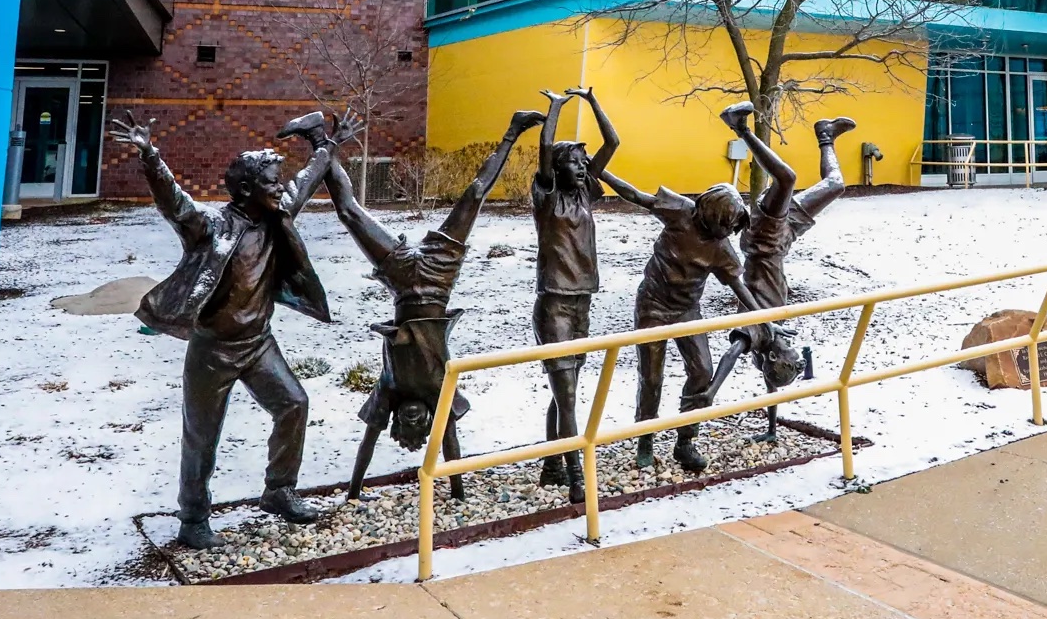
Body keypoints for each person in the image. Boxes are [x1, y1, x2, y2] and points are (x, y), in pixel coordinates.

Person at [107, 109, 343, 550]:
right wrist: (150, 157)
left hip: (258, 345)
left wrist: (327, 146)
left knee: (293, 404)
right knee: (202, 437)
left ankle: (278, 491)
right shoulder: (213, 228)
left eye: (280, 182)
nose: (281, 187)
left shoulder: (276, 216)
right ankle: (193, 519)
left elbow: (306, 182)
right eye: (273, 182)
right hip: (213, 350)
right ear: (248, 189)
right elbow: (175, 204)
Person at [312, 107, 547, 501]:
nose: (414, 420)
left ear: (397, 424)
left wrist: (353, 492)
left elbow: (367, 442)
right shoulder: (441, 395)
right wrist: (456, 492)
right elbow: (450, 442)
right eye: (421, 426)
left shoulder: (388, 391)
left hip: (403, 282)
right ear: (431, 424)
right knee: (474, 195)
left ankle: (321, 140)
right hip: (439, 278)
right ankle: (513, 129)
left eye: (409, 425)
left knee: (350, 213)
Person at [601, 169, 764, 473]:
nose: (729, 233)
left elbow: (738, 287)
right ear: (713, 215)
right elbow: (637, 195)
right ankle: (645, 439)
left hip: (688, 310)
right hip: (652, 306)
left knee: (702, 370)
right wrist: (603, 174)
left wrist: (765, 318)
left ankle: (685, 440)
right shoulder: (679, 212)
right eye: (727, 226)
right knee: (651, 378)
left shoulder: (722, 249)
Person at [710, 103, 853, 438]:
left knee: (787, 178)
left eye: (790, 359)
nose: (795, 352)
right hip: (784, 239)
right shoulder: (778, 334)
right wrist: (772, 429)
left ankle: (739, 127)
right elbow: (771, 386)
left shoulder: (755, 331)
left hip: (766, 239)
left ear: (773, 354)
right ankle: (825, 135)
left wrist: (712, 390)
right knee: (835, 184)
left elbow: (732, 354)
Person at [529, 85, 617, 503]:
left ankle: (551, 465)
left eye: (584, 163)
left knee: (565, 390)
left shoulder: (584, 194)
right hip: (554, 305)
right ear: (557, 168)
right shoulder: (546, 197)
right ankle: (576, 474)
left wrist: (593, 101)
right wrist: (557, 108)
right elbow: (545, 147)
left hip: (582, 302)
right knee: (566, 394)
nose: (581, 169)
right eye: (573, 163)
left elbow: (613, 142)